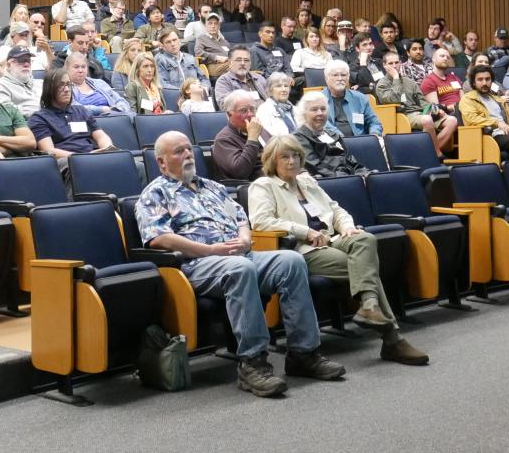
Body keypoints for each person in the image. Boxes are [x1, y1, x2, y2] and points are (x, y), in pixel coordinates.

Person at [136, 130, 344, 397]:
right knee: (241, 268)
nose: (187, 154)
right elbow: (158, 239)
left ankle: (303, 354)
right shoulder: (154, 194)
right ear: (161, 162)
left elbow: (240, 220)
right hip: (196, 265)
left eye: (189, 149)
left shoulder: (213, 187)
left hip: (239, 254)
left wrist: (245, 240)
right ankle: (253, 365)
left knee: (291, 261)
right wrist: (209, 249)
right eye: (178, 151)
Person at [249, 135, 429, 365]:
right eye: (284, 157)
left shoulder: (307, 182)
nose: (292, 161)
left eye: (295, 155)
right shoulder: (263, 186)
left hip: (331, 238)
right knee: (365, 268)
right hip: (302, 249)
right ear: (272, 161)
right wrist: (304, 231)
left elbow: (335, 210)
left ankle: (370, 307)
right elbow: (261, 222)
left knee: (365, 239)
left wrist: (347, 227)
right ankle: (391, 338)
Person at [28, 69, 115, 172]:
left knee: (136, 166)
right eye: (61, 85)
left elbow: (101, 136)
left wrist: (107, 149)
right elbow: (48, 150)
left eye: (69, 85)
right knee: (86, 168)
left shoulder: (81, 111)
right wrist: (82, 158)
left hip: (91, 157)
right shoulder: (39, 118)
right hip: (67, 162)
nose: (67, 89)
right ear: (49, 89)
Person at [375, 50, 456, 155]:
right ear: (384, 65)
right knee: (427, 120)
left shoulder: (409, 82)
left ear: (400, 63)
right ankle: (436, 154)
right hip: (402, 115)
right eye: (390, 63)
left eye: (396, 62)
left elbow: (422, 102)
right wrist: (395, 78)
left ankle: (428, 153)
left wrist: (435, 110)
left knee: (452, 120)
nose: (394, 66)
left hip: (420, 113)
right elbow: (393, 99)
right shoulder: (382, 84)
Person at [291, 91, 372, 178]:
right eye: (314, 109)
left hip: (350, 178)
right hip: (331, 182)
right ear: (303, 114)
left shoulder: (334, 135)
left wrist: (363, 174)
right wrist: (348, 177)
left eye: (323, 109)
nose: (320, 113)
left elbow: (352, 162)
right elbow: (316, 167)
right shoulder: (298, 138)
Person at [211, 90, 264, 181]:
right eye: (243, 110)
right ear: (229, 114)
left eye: (252, 109)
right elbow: (240, 172)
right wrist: (252, 139)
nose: (250, 114)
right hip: (254, 187)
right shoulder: (223, 139)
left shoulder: (257, 129)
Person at [322, 61, 382, 137]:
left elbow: (374, 122)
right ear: (326, 78)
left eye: (343, 75)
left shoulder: (360, 98)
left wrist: (374, 134)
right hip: (331, 144)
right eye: (335, 75)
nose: (340, 78)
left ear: (348, 77)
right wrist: (340, 138)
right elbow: (321, 125)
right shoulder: (318, 100)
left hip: (359, 143)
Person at [65, 52, 130, 117]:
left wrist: (119, 109)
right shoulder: (65, 87)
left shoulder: (99, 83)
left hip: (112, 116)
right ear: (67, 69)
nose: (80, 70)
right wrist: (101, 110)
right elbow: (73, 108)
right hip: (85, 120)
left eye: (83, 67)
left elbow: (120, 100)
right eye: (76, 67)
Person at [155, 28, 206, 95]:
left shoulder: (190, 58)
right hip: (175, 98)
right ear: (162, 46)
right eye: (168, 42)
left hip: (197, 96)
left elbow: (203, 78)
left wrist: (204, 89)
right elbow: (163, 85)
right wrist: (185, 93)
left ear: (179, 41)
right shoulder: (160, 60)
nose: (172, 44)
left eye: (174, 40)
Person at [0, 46, 42, 117]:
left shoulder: (40, 83)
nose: (26, 64)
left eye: (28, 61)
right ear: (8, 65)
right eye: (21, 60)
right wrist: (39, 112)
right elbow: (3, 111)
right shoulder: (1, 86)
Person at [254, 73, 298, 145]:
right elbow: (267, 140)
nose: (284, 89)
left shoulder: (295, 109)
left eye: (286, 86)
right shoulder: (264, 110)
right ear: (270, 91)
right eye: (278, 86)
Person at [420, 48, 464, 114]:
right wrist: (453, 107)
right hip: (447, 114)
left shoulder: (454, 78)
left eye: (448, 57)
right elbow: (436, 110)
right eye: (442, 56)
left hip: (462, 110)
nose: (445, 59)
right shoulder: (428, 81)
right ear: (433, 59)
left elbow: (464, 99)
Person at [194, 14, 232, 78]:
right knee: (237, 64)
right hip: (212, 66)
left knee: (241, 62)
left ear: (219, 26)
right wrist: (216, 57)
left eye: (215, 23)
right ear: (206, 26)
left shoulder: (225, 42)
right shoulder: (201, 38)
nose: (213, 26)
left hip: (228, 64)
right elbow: (198, 52)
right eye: (210, 23)